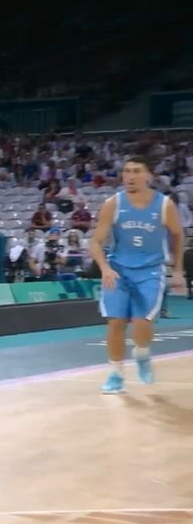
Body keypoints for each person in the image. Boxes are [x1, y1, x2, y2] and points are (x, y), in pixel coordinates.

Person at [89, 156, 185, 394]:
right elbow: (96, 241)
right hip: (118, 270)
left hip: (150, 271)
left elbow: (177, 235)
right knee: (116, 323)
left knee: (142, 323)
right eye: (127, 171)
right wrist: (105, 268)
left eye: (136, 171)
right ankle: (116, 374)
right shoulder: (113, 203)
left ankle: (141, 354)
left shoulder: (164, 205)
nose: (130, 176)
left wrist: (178, 269)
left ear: (148, 176)